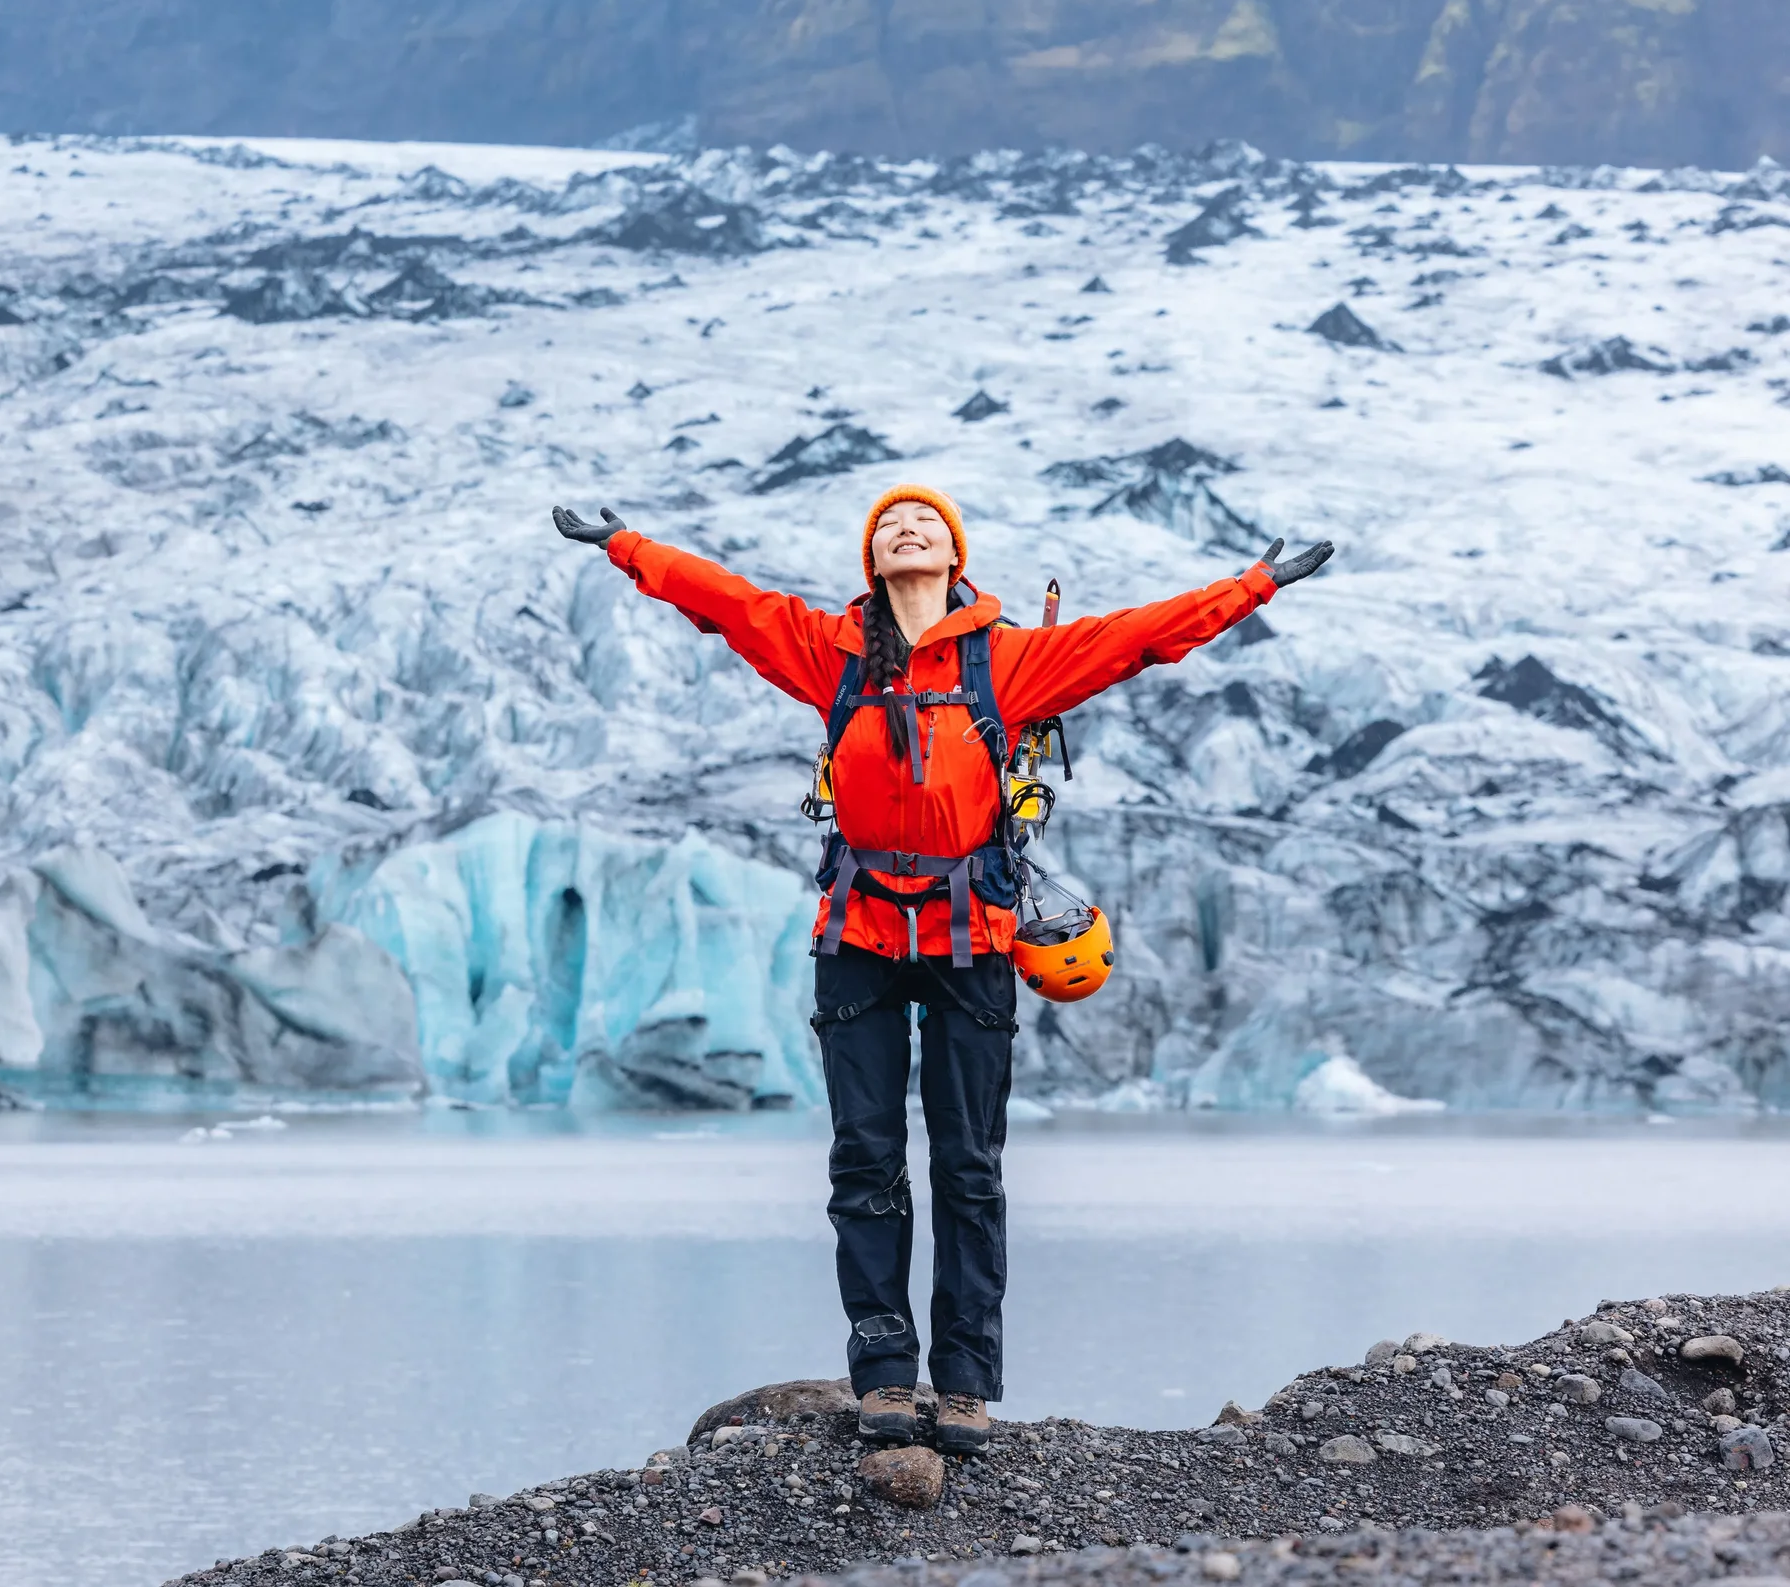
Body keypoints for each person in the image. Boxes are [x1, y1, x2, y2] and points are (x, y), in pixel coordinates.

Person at [552, 484, 1332, 1452]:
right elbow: (722, 601)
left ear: (953, 550)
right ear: (872, 558)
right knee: (864, 1161)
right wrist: (624, 543)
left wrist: (1251, 583)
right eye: (887, 524)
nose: (905, 527)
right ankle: (882, 1370)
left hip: (972, 938)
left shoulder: (1010, 659)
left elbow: (1142, 636)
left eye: (924, 520)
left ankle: (962, 1380)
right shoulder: (828, 650)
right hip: (858, 935)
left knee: (968, 1166)